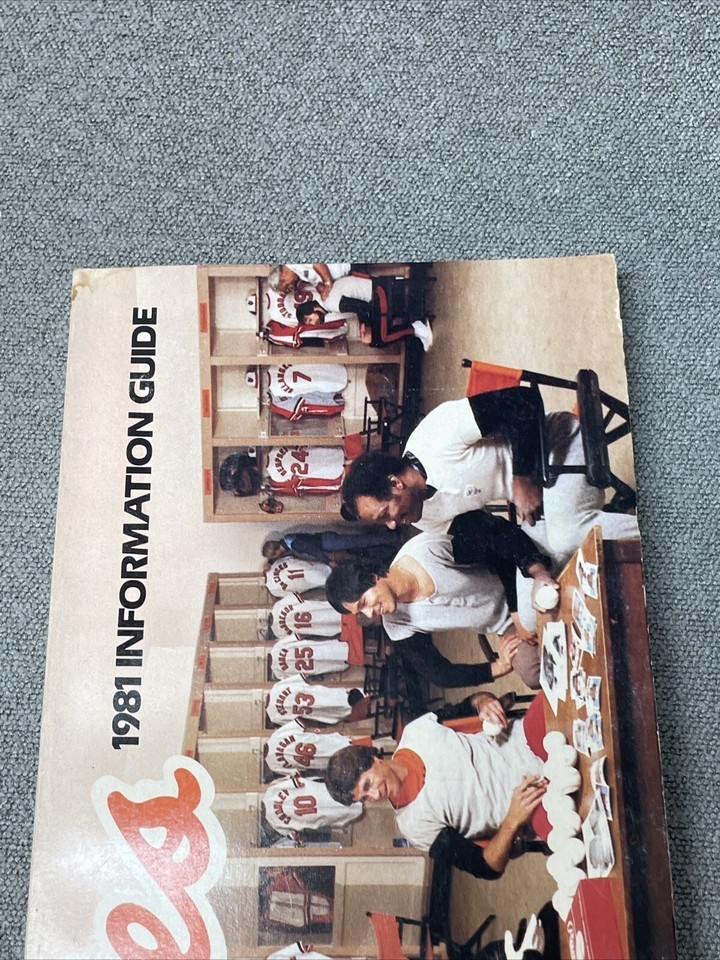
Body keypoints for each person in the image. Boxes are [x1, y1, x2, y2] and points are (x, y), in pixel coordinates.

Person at [341, 387, 639, 571]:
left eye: (385, 514)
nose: (393, 525)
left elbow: (524, 401)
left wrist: (522, 478)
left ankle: (655, 536)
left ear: (395, 483)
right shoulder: (422, 517)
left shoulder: (435, 436)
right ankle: (616, 521)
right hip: (542, 495)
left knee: (566, 535)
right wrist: (534, 569)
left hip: (555, 444)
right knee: (544, 579)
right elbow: (491, 532)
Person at [325, 691, 549, 879]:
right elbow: (487, 867)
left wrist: (484, 703)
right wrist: (512, 820)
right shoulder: (415, 827)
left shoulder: (416, 732)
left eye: (367, 784)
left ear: (374, 759)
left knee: (557, 693)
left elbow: (472, 703)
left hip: (524, 739)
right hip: (531, 800)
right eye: (365, 798)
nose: (375, 795)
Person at [325, 510, 559, 687]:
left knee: (549, 612)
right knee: (534, 675)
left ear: (372, 577)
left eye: (364, 603)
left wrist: (517, 612)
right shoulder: (395, 625)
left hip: (516, 584)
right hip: (506, 626)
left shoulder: (427, 550)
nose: (370, 614)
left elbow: (502, 550)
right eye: (361, 613)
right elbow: (437, 673)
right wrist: (497, 667)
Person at [262, 527, 402, 567]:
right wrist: (269, 563)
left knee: (359, 542)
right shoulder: (286, 540)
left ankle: (390, 538)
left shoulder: (294, 544)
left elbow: (313, 550)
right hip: (326, 540)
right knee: (357, 544)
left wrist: (328, 561)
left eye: (275, 556)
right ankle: (387, 540)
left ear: (276, 552)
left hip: (327, 543)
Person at [267, 262, 352, 300]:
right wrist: (322, 292)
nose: (291, 287)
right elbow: (316, 282)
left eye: (287, 286)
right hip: (348, 273)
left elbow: (318, 264)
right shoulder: (298, 274)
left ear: (282, 276)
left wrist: (327, 284)